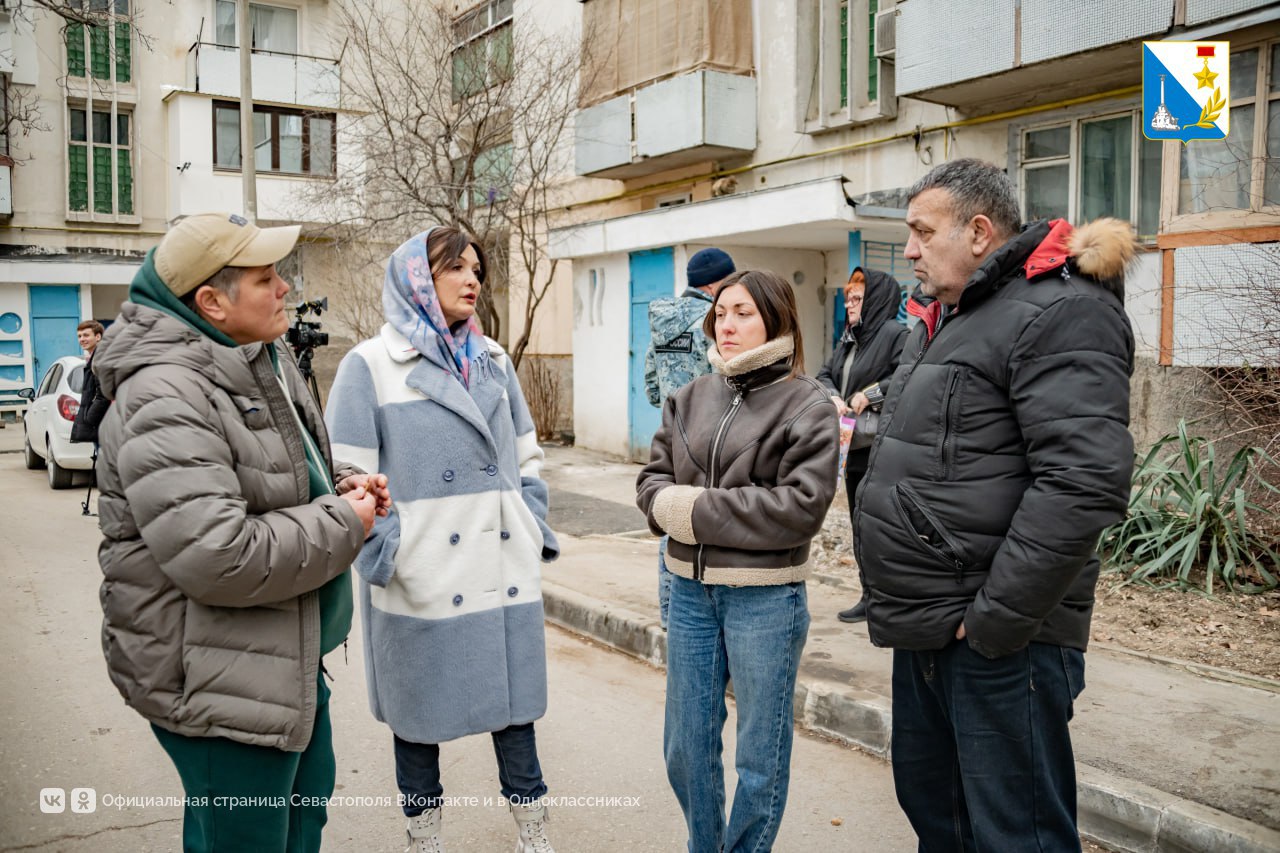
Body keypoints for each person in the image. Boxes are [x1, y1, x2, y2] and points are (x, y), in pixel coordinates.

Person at [854, 159, 1136, 850]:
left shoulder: (1061, 308)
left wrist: (992, 624)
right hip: (931, 629)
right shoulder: (948, 318)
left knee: (1017, 838)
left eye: (922, 232)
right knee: (942, 826)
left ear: (979, 232)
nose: (910, 249)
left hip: (1001, 645)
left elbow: (1081, 480)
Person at [92, 212, 387, 853]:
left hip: (278, 662)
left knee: (298, 827)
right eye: (265, 277)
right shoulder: (165, 393)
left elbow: (261, 471)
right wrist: (346, 521)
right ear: (211, 302)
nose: (284, 287)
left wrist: (338, 485)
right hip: (219, 683)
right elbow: (218, 555)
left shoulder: (246, 357)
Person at [325, 226, 561, 853]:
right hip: (422, 575)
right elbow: (344, 476)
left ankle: (533, 833)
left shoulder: (494, 360)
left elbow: (527, 453)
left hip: (499, 566)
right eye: (453, 267)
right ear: (414, 280)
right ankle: (423, 837)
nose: (471, 279)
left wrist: (531, 520)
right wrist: (391, 552)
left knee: (516, 715)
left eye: (476, 268)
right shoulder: (370, 365)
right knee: (418, 720)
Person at [637, 270, 839, 853]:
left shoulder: (808, 406)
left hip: (764, 597)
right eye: (721, 312)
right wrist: (668, 503)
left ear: (777, 319)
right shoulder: (691, 396)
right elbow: (652, 481)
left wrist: (693, 510)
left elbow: (799, 508)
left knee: (760, 755)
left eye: (743, 312)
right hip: (690, 594)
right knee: (687, 747)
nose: (726, 324)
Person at [644, 247, 736, 630]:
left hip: (670, 435)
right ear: (716, 284)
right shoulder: (712, 320)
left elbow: (651, 388)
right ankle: (701, 616)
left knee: (669, 520)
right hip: (711, 437)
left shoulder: (661, 321)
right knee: (702, 524)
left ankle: (670, 615)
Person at [814, 266, 907, 624]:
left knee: (880, 525)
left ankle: (886, 599)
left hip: (880, 447)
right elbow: (825, 373)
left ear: (876, 300)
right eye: (848, 298)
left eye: (857, 299)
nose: (849, 305)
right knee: (859, 521)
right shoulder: (849, 337)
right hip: (852, 445)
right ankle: (870, 596)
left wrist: (870, 394)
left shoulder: (896, 334)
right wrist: (834, 396)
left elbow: (906, 373)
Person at [70, 320, 109, 444]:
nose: (81, 339)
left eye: (86, 335)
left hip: (102, 423)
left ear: (98, 337)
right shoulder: (95, 357)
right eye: (79, 336)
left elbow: (104, 394)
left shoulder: (100, 358)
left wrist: (89, 418)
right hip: (101, 422)